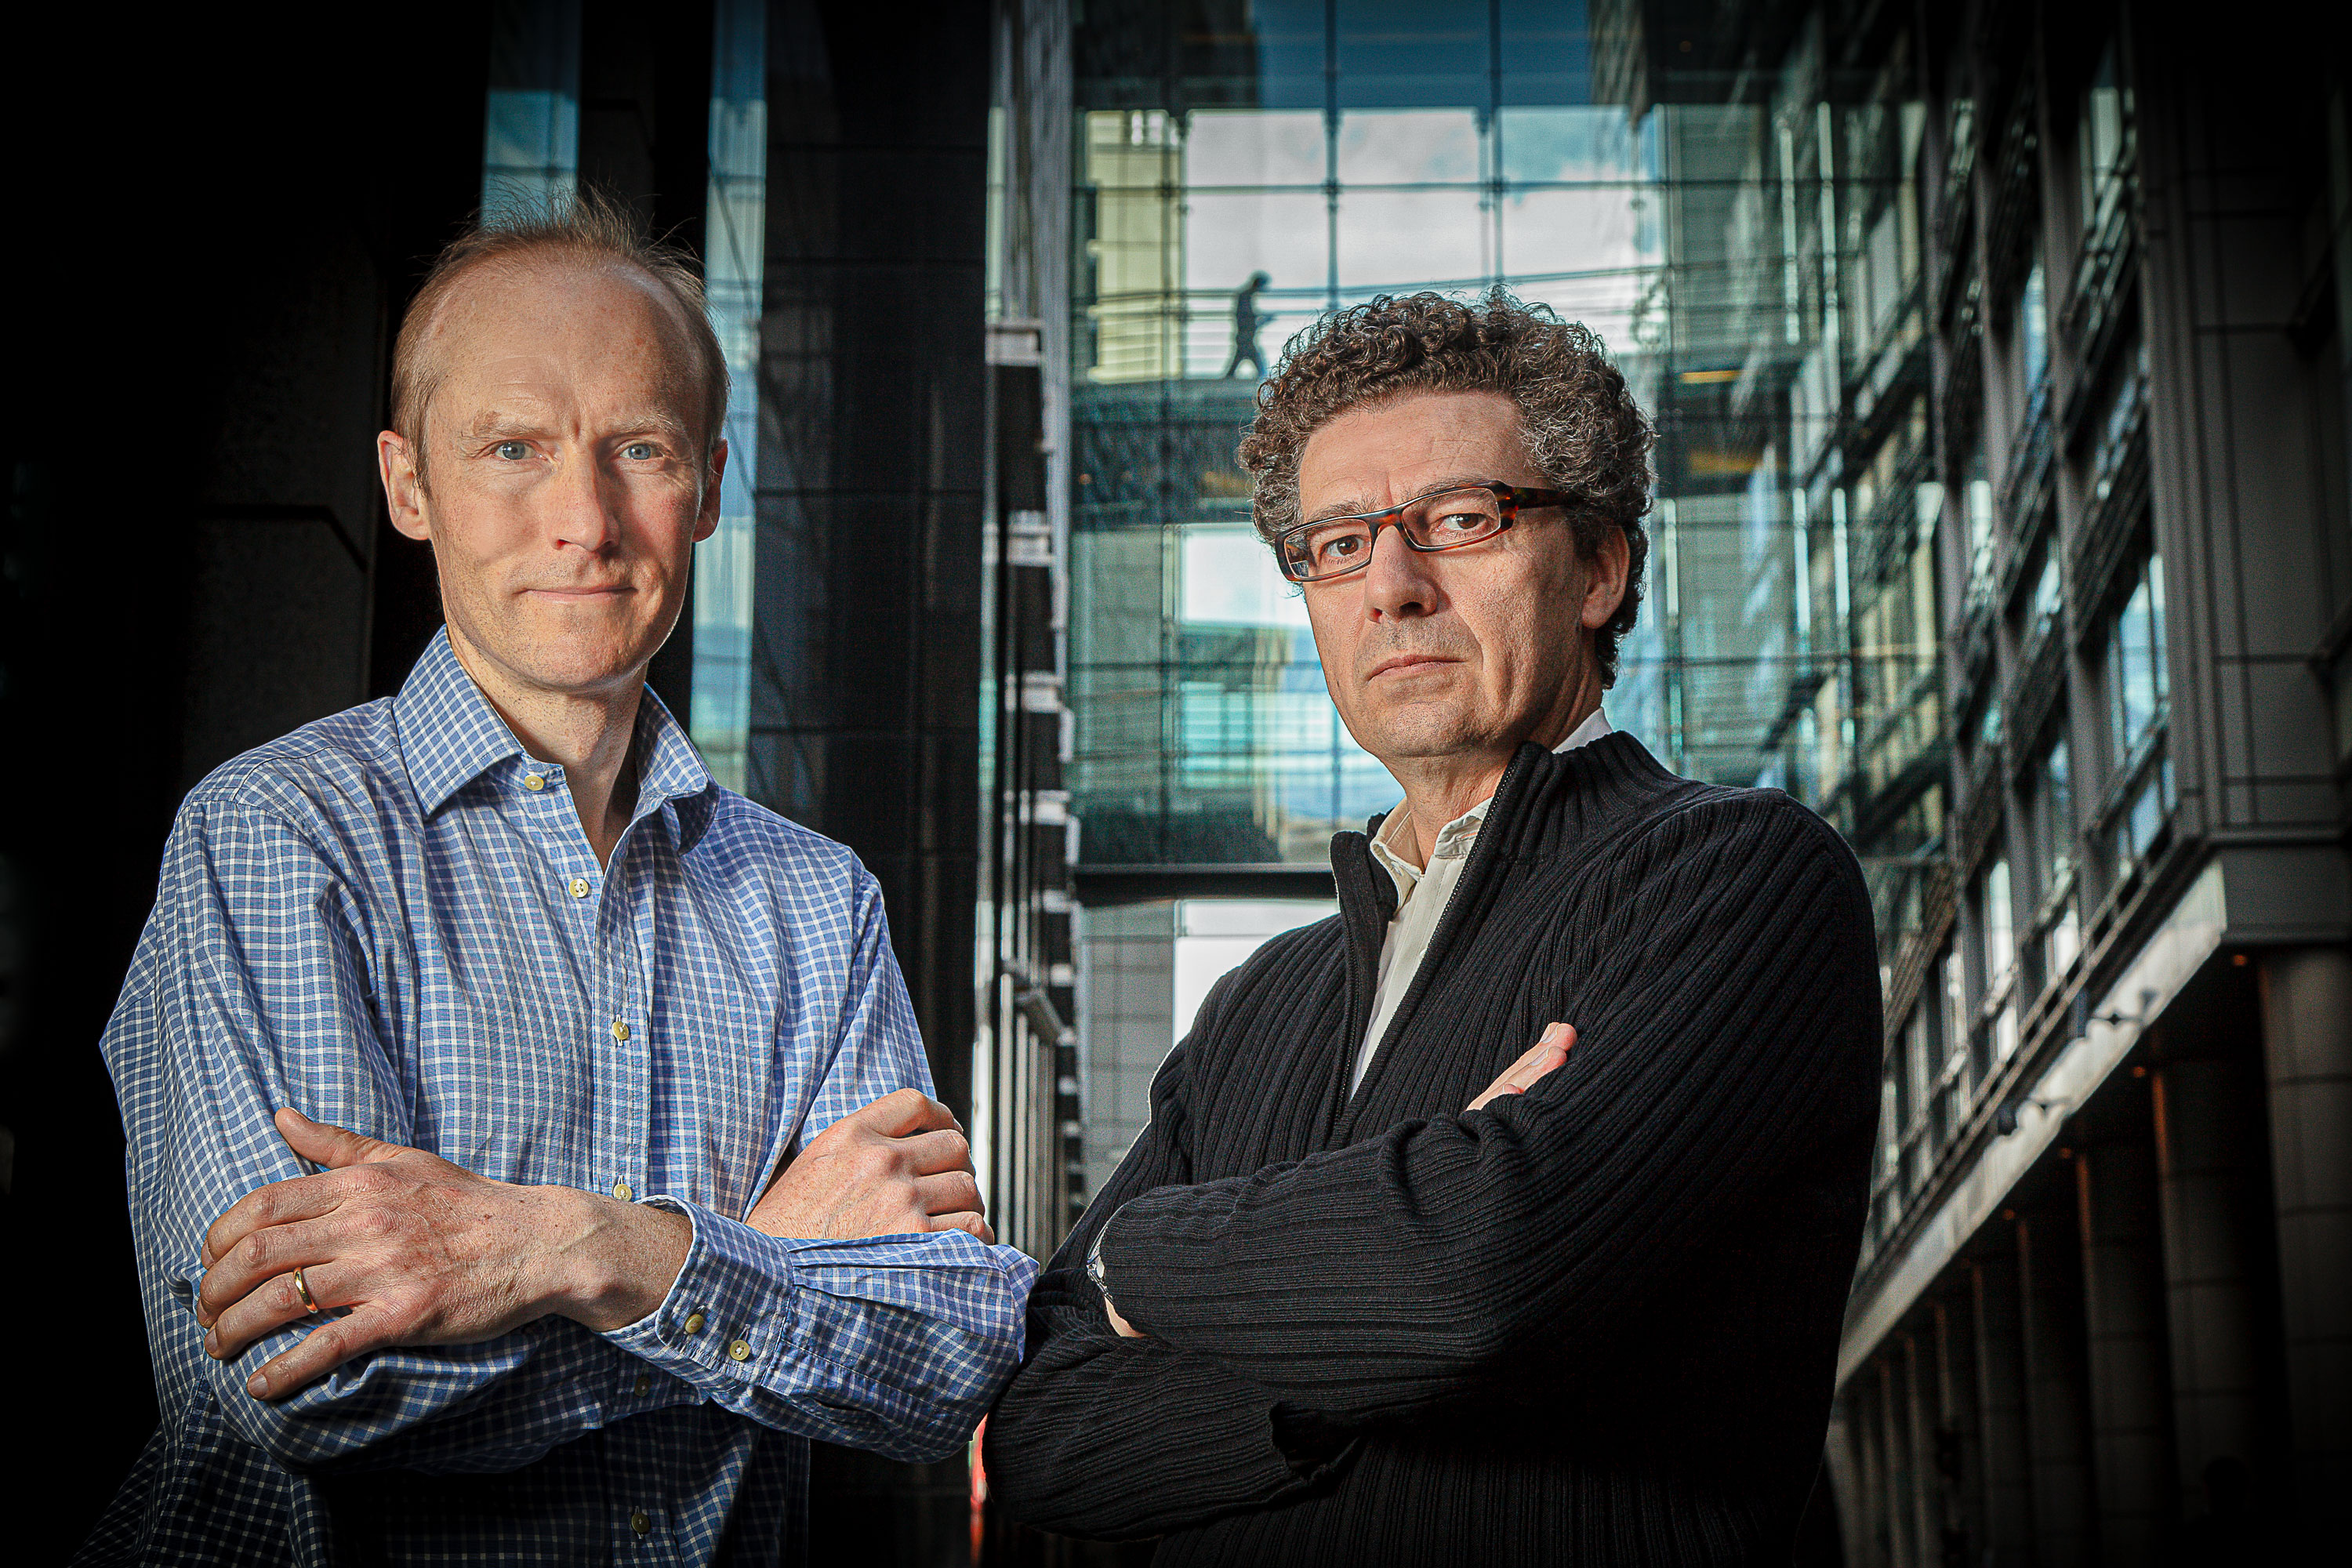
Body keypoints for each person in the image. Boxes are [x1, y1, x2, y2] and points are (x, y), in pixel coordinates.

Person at [81, 198, 1035, 1566]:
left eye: (635, 450)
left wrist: (586, 1254)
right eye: (513, 448)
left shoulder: (818, 904)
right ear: (409, 488)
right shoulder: (276, 838)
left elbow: (945, 1358)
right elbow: (299, 1376)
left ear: (705, 487)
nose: (583, 521)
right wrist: (735, 1264)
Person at [984, 290, 1882, 1565]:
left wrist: (1137, 1254)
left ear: (1600, 568)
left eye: (1462, 520)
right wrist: (1371, 1296)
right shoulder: (1257, 1005)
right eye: (1339, 544)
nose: (1393, 588)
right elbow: (1037, 1430)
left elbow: (1475, 1280)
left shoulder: (1738, 880)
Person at [1222, 271, 1271, 379]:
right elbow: (1246, 319)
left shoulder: (1245, 296)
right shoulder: (1245, 296)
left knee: (1242, 361)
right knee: (1257, 363)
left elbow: (1248, 318)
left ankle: (1227, 378)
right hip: (1245, 336)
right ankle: (1263, 379)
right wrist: (1263, 321)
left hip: (1245, 336)